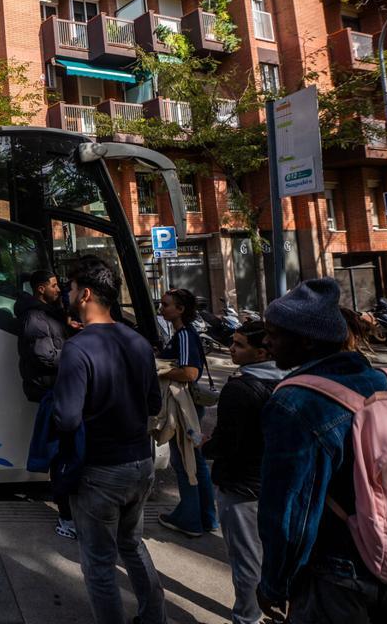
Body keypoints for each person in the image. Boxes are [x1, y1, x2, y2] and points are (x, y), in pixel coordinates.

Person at [257, 278, 387, 624]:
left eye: (275, 333)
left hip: (338, 575)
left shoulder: (295, 402)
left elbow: (289, 512)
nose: (266, 342)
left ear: (307, 340)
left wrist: (274, 584)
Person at [53, 255, 166, 624]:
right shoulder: (137, 342)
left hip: (100, 470)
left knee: (99, 564)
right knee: (132, 545)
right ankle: (154, 618)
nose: (68, 293)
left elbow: (67, 418)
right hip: (141, 464)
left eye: (70, 288)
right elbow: (154, 403)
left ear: (85, 294)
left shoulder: (77, 348)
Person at [201, 320, 285, 624]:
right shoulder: (289, 382)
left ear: (262, 352)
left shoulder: (240, 389)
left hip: (241, 486)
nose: (231, 349)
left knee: (247, 560)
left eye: (239, 345)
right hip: (275, 484)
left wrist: (205, 446)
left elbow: (227, 443)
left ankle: (247, 617)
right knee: (272, 558)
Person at [14, 269, 74, 539]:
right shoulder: (35, 316)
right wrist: (80, 352)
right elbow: (44, 356)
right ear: (40, 289)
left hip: (57, 388)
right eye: (52, 285)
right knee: (62, 455)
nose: (57, 288)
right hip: (51, 391)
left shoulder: (46, 312)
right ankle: (67, 517)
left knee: (65, 452)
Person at [156, 287, 218, 538]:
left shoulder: (183, 335)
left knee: (184, 462)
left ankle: (190, 518)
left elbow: (189, 373)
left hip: (184, 406)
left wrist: (159, 369)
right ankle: (206, 516)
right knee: (195, 461)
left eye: (166, 304)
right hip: (189, 404)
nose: (162, 309)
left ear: (180, 309)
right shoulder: (185, 334)